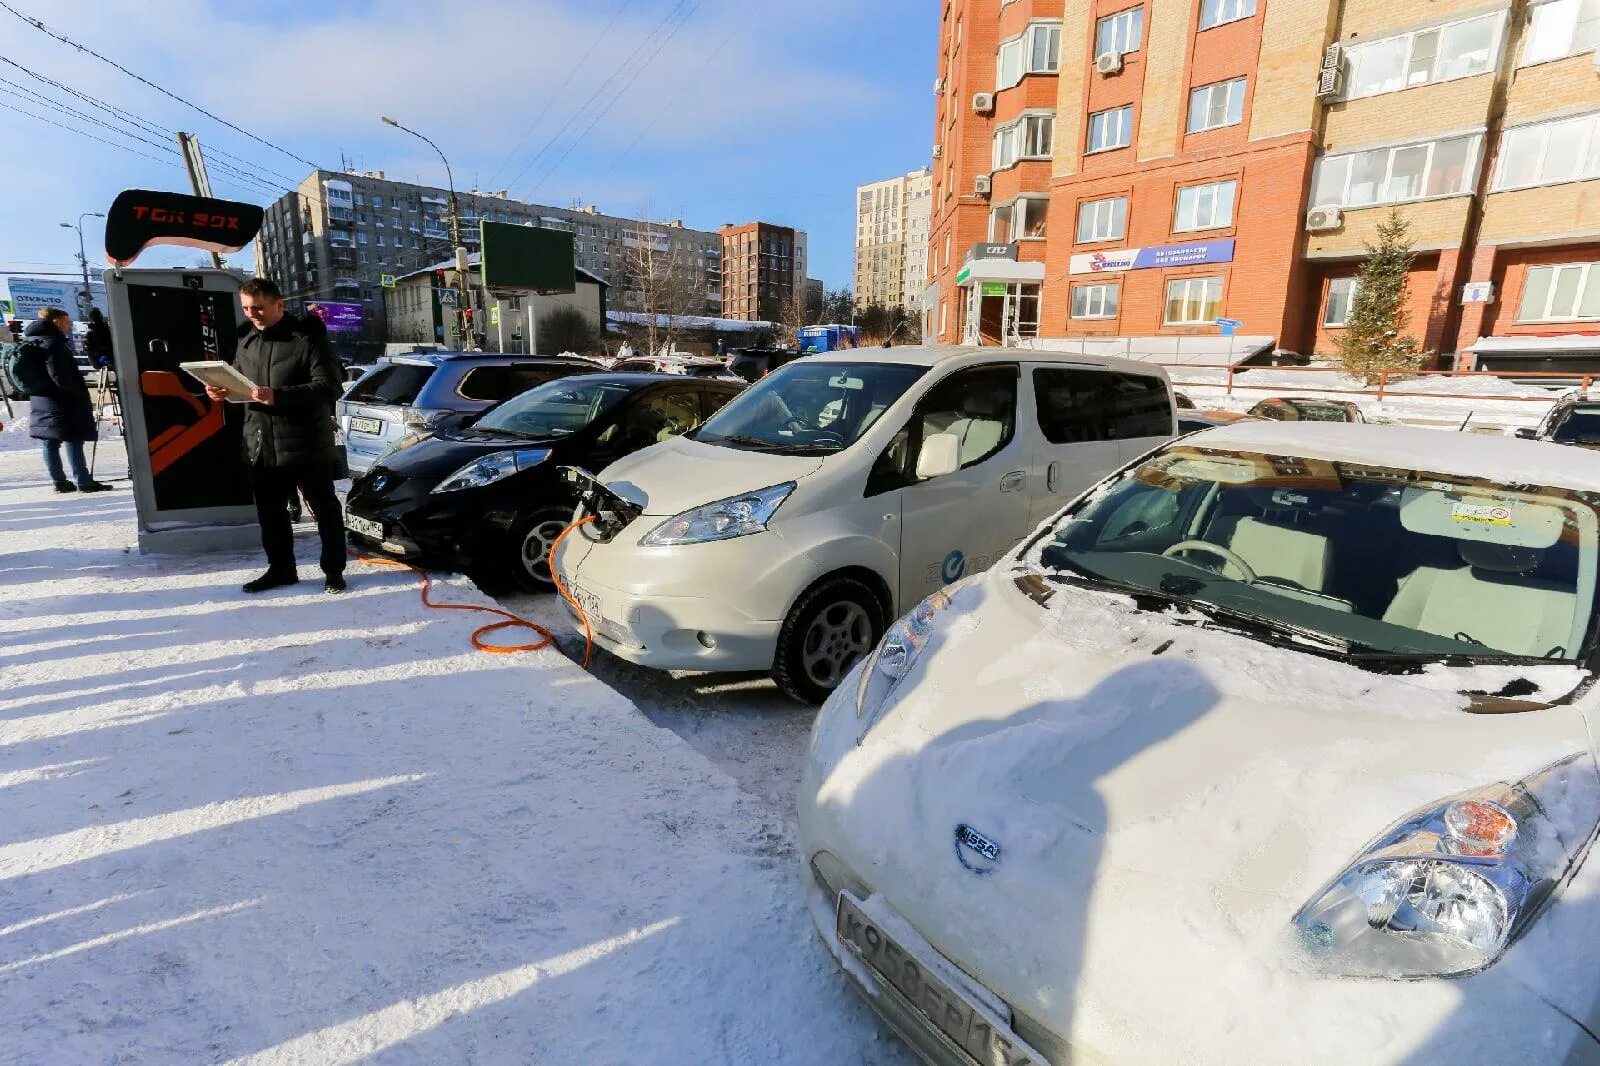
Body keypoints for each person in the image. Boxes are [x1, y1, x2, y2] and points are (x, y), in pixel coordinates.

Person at [207, 278, 347, 595]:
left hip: (306, 442)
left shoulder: (308, 337)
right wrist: (222, 390)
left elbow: (329, 387)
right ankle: (281, 569)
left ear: (279, 305)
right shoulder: (246, 340)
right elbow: (241, 382)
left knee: (324, 509)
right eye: (246, 308)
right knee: (270, 513)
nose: (252, 314)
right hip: (261, 442)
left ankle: (333, 571)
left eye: (258, 307)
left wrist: (278, 396)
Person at [24, 307, 112, 493]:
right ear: (56, 322)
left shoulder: (33, 341)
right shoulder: (53, 344)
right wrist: (77, 393)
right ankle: (84, 481)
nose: (70, 325)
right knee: (73, 438)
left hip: (41, 398)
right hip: (62, 401)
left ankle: (60, 482)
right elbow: (59, 377)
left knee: (50, 441)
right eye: (67, 321)